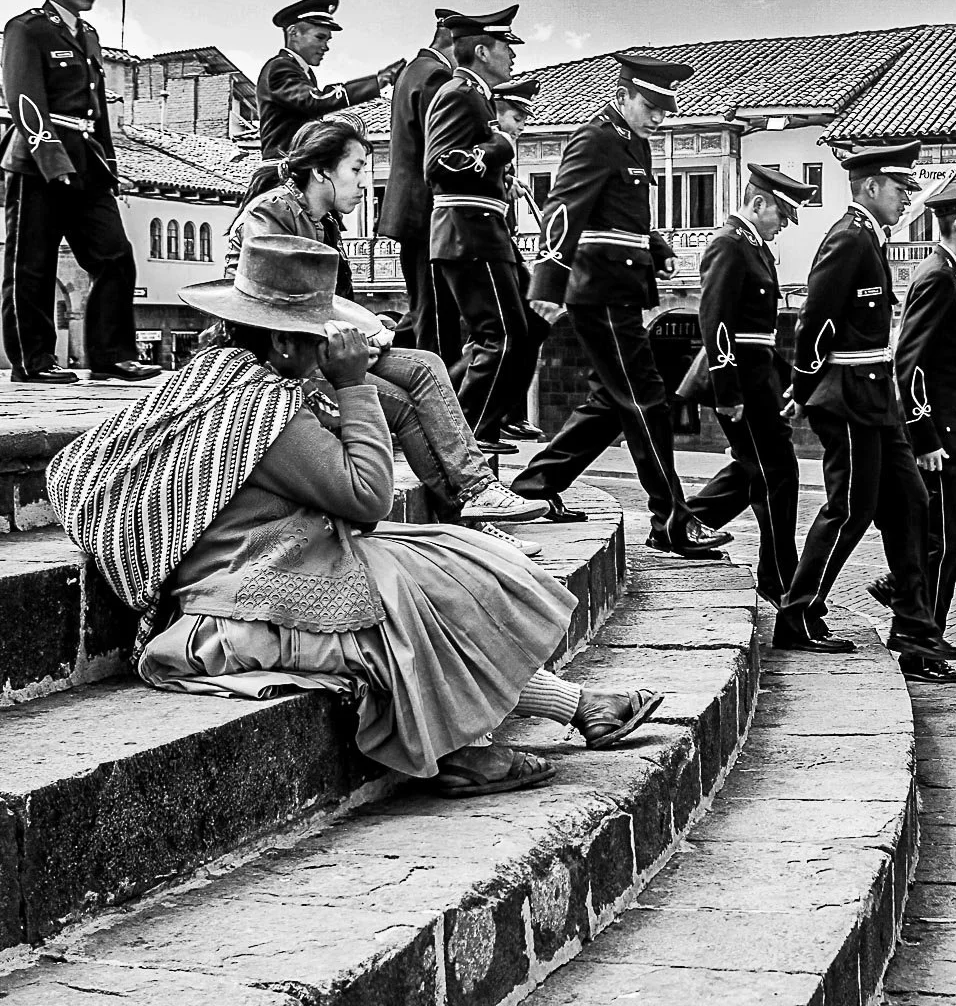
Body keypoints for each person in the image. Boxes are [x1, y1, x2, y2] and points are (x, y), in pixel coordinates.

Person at [45, 234, 663, 797]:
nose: (326, 349)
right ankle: (451, 751)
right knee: (413, 598)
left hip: (259, 565)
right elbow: (368, 497)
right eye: (318, 338)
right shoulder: (264, 413)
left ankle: (577, 707)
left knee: (449, 560)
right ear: (284, 341)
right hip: (236, 607)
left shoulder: (218, 377)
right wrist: (355, 384)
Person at [224, 114, 547, 538]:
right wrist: (351, 337)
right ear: (322, 171)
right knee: (402, 402)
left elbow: (326, 302)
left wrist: (365, 325)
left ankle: (478, 491)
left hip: (321, 348)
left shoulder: (322, 221)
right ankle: (468, 518)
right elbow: (279, 310)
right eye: (356, 170)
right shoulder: (271, 215)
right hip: (282, 362)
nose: (363, 184)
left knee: (427, 364)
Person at [511, 52, 729, 558]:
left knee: (612, 401)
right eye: (650, 105)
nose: (658, 118)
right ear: (624, 94)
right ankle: (672, 520)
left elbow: (622, 215)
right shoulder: (595, 139)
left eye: (664, 109)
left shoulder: (635, 144)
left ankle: (533, 487)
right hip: (598, 290)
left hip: (621, 288)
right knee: (646, 398)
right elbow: (562, 210)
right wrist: (547, 284)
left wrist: (656, 247)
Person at [774, 141, 956, 663]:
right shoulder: (849, 239)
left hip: (875, 397)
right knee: (849, 508)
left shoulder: (869, 239)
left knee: (912, 503)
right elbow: (815, 322)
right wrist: (803, 389)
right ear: (872, 187)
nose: (907, 200)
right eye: (900, 190)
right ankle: (799, 614)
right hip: (849, 396)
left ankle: (914, 627)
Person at [869, 174, 956, 685]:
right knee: (946, 541)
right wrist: (924, 439)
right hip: (936, 440)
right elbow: (912, 366)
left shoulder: (954, 275)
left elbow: (950, 373)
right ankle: (918, 646)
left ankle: (906, 592)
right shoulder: (935, 277)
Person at [3, 0, 159, 383]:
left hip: (88, 163)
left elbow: (97, 110)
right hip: (38, 164)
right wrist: (54, 163)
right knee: (31, 264)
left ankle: (112, 356)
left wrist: (107, 167)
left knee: (115, 255)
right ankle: (33, 362)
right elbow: (24, 101)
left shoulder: (88, 35)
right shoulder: (27, 29)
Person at [677, 164, 808, 611]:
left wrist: (787, 380)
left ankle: (683, 523)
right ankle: (779, 579)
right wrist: (728, 389)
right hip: (741, 384)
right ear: (758, 204)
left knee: (756, 468)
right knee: (777, 474)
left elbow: (762, 338)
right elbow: (716, 323)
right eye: (781, 215)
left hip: (759, 379)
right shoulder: (729, 245)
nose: (783, 226)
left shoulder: (755, 249)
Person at [423, 8, 538, 454]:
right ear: (483, 50)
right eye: (507, 47)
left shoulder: (478, 96)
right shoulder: (460, 93)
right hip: (467, 231)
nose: (512, 57)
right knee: (502, 335)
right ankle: (465, 440)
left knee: (520, 328)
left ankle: (457, 423)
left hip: (482, 228)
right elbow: (439, 164)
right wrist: (498, 149)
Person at [244, 0, 402, 202]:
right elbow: (314, 101)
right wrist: (378, 81)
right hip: (281, 176)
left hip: (299, 172)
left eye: (328, 39)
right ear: (293, 33)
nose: (325, 47)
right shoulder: (279, 68)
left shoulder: (302, 72)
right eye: (320, 37)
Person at [378, 8, 460, 355]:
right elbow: (441, 150)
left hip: (411, 212)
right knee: (437, 313)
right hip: (427, 211)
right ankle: (439, 392)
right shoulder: (436, 76)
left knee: (424, 307)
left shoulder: (414, 71)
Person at [489, 75, 552, 444]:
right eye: (517, 118)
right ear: (497, 116)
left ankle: (511, 411)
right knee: (504, 332)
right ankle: (492, 413)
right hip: (482, 248)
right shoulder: (486, 144)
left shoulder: (504, 151)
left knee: (535, 324)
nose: (522, 127)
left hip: (506, 245)